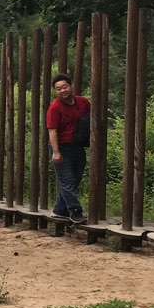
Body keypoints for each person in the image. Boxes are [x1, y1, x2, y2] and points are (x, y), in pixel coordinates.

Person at [47, 73, 91, 224]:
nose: (62, 91)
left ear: (71, 86)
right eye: (58, 89)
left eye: (64, 87)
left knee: (75, 179)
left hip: (77, 146)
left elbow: (91, 118)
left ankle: (60, 210)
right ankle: (75, 211)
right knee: (67, 180)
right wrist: (55, 152)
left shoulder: (83, 102)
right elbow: (52, 131)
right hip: (61, 147)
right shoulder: (55, 108)